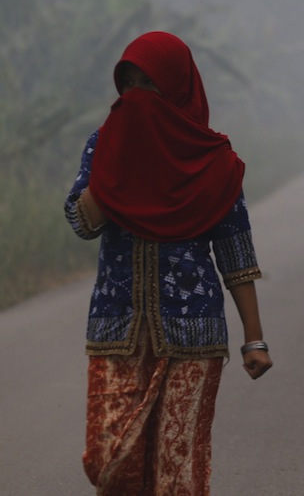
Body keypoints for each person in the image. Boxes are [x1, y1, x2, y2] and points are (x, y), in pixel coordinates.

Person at [64, 31, 272, 495]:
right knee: (108, 459)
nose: (138, 97)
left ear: (178, 88)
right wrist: (122, 156)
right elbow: (81, 222)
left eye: (149, 85)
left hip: (193, 335)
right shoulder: (103, 144)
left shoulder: (213, 159)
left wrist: (253, 339)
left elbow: (237, 256)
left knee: (177, 471)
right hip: (117, 331)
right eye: (130, 85)